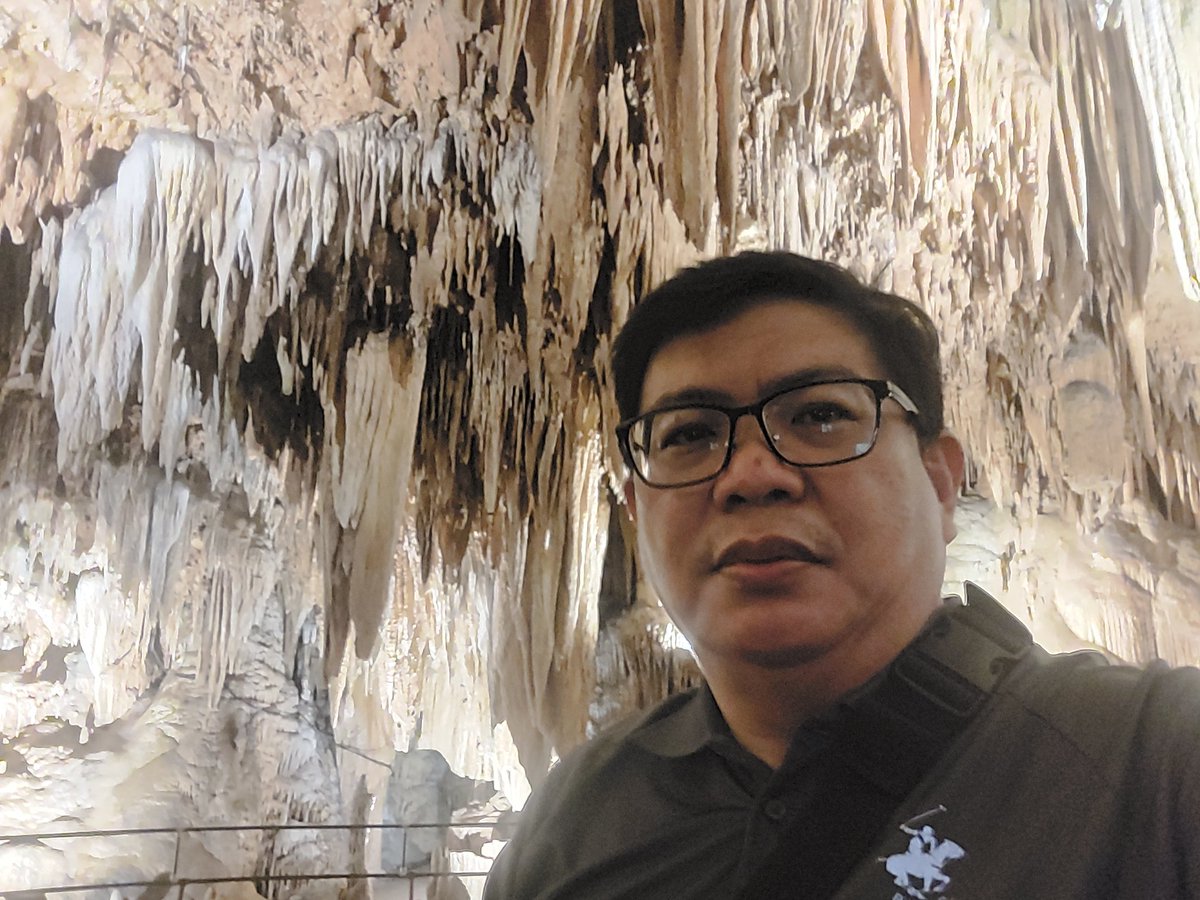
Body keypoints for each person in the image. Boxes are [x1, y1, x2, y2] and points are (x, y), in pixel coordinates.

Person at [483, 251, 1200, 899]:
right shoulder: (570, 828)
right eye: (690, 435)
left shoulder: (1151, 763)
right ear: (637, 510)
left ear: (941, 481)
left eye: (819, 415)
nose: (752, 474)